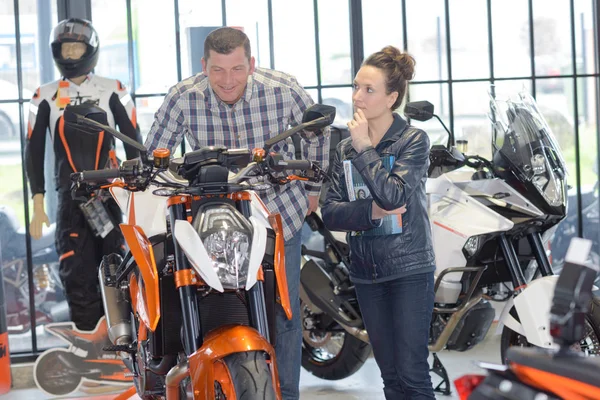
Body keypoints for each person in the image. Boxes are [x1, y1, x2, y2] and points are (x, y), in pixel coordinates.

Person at [144, 27, 330, 399]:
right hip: (211, 219)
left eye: (237, 69)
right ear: (204, 66)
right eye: (217, 70)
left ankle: (285, 393)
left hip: (278, 215)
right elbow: (154, 157)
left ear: (252, 64)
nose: (228, 81)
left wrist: (313, 191)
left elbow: (318, 137)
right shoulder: (184, 97)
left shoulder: (284, 89)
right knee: (203, 303)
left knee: (283, 312)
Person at [321, 46, 436, 399]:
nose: (357, 97)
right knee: (390, 377)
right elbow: (330, 212)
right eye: (356, 87)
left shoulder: (412, 141)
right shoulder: (343, 149)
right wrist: (371, 213)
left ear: (392, 97)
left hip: (408, 270)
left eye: (369, 90)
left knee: (413, 373)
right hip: (366, 272)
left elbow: (393, 197)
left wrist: (364, 149)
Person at [25, 18, 142, 331]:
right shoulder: (43, 96)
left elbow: (134, 142)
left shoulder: (114, 89)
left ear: (91, 50)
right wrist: (38, 201)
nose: (72, 53)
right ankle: (88, 343)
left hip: (111, 196)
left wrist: (140, 193)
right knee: (76, 272)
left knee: (119, 269)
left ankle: (124, 344)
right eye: (66, 47)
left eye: (78, 47)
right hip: (70, 201)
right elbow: (33, 151)